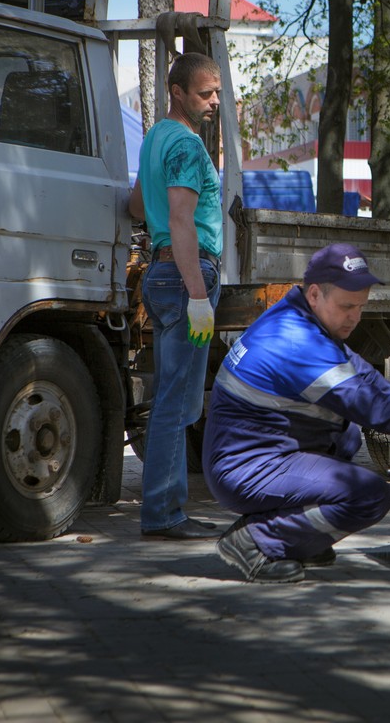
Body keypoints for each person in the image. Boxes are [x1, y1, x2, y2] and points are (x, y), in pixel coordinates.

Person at [203, 243, 390, 583]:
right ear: (315, 294)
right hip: (245, 468)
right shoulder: (298, 342)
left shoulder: (299, 316)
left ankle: (300, 538)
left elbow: (363, 376)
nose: (355, 317)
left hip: (255, 454)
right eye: (346, 307)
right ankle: (255, 540)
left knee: (346, 436)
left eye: (360, 307)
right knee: (369, 495)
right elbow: (370, 406)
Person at [127, 52, 225, 540]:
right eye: (205, 93)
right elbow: (183, 221)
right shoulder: (186, 144)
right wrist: (199, 296)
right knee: (176, 403)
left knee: (172, 398)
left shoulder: (154, 139)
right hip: (187, 274)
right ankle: (164, 515)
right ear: (178, 92)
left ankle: (165, 511)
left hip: (159, 274)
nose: (213, 101)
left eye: (217, 93)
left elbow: (137, 204)